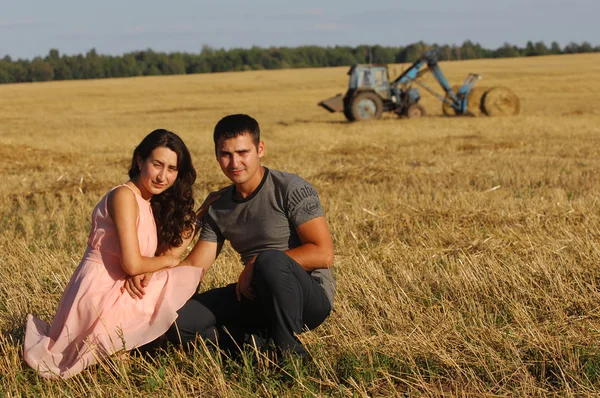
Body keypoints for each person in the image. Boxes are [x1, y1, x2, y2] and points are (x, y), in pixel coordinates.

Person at [24, 129, 204, 379]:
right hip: (99, 290)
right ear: (140, 160)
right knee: (180, 274)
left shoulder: (149, 201)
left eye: (172, 169)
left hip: (119, 283)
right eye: (157, 164)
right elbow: (132, 264)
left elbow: (140, 262)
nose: (163, 176)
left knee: (175, 280)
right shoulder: (124, 196)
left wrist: (204, 211)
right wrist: (169, 262)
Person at [166, 114, 335, 360]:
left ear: (260, 149)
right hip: (254, 296)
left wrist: (256, 264)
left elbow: (324, 254)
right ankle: (259, 346)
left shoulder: (291, 188)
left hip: (306, 298)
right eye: (226, 154)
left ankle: (289, 353)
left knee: (269, 261)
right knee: (180, 323)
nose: (234, 162)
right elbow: (195, 266)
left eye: (243, 152)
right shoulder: (220, 206)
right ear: (216, 156)